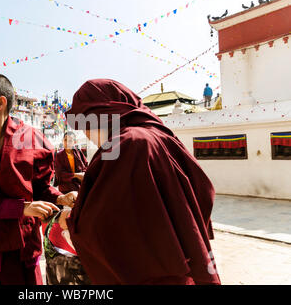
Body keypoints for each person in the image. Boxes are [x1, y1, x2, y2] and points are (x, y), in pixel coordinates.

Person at [58, 79, 221, 285]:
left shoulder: (126, 144)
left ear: (100, 115)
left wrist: (72, 220)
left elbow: (104, 228)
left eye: (84, 125)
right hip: (179, 261)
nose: (86, 135)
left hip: (151, 274)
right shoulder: (160, 135)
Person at [0, 73, 76, 285]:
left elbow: (39, 187)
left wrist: (61, 198)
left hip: (23, 246)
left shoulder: (31, 138)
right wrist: (21, 208)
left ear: (1, 102)